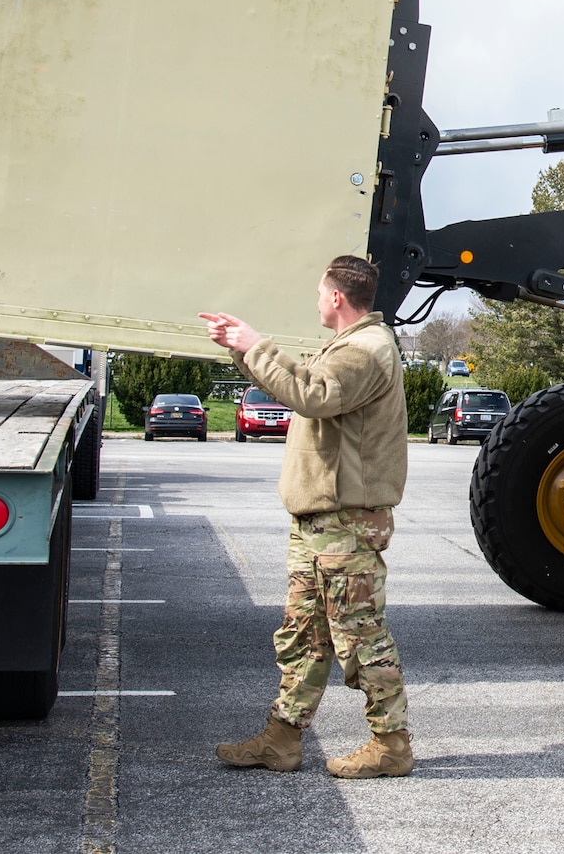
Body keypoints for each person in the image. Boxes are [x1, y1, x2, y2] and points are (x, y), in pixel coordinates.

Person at [199, 255, 413, 779]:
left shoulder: (365, 350)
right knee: (304, 633)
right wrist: (244, 353)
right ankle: (282, 739)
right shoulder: (349, 346)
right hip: (321, 520)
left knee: (360, 635)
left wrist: (256, 344)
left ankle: (391, 745)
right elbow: (302, 381)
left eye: (320, 293)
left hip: (346, 521)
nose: (317, 301)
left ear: (337, 297)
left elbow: (312, 395)